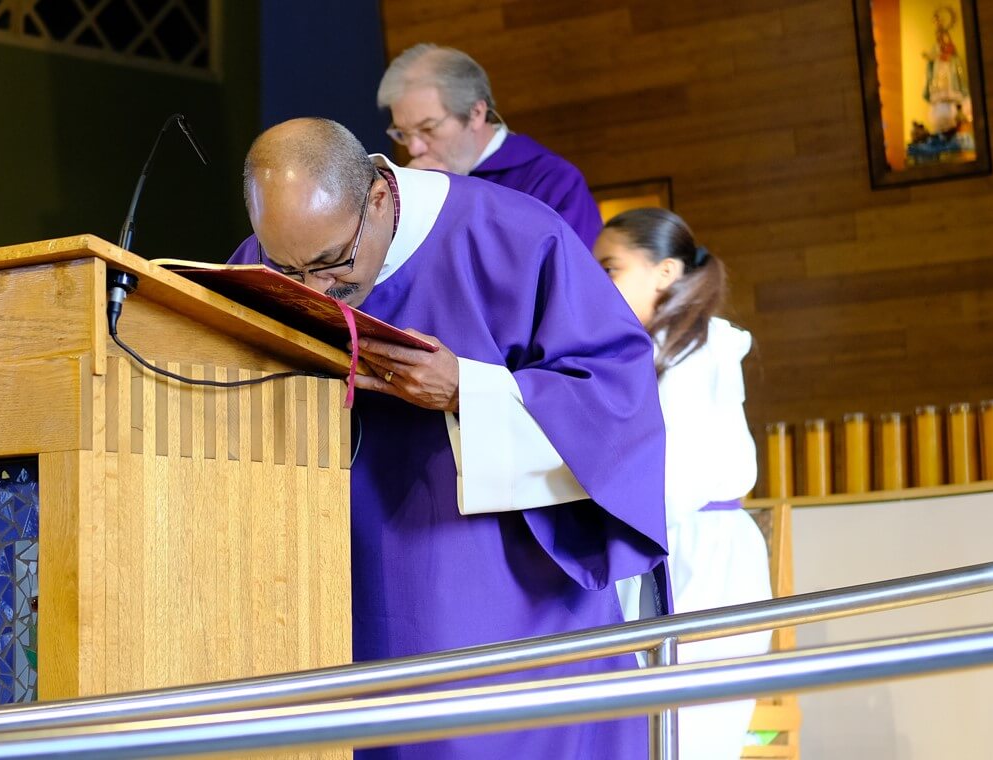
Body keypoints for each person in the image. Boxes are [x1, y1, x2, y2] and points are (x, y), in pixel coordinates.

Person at [228, 118, 667, 758]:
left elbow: (617, 408)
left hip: (496, 601)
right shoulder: (272, 257)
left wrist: (469, 391)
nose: (315, 290)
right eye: (288, 270)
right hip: (329, 587)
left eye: (332, 263)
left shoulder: (514, 236)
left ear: (378, 194)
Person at [597, 208, 773, 760]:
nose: (596, 284)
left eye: (610, 269)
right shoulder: (654, 348)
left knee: (692, 730)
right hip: (669, 538)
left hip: (700, 548)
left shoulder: (698, 350)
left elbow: (671, 475)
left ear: (666, 271)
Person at [377, 43, 603, 246]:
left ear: (475, 113)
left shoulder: (554, 181)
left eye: (428, 129)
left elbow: (564, 278)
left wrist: (452, 200)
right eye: (403, 134)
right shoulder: (413, 188)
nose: (414, 149)